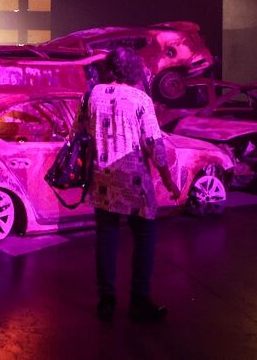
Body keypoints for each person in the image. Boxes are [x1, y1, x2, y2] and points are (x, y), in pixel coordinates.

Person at [85, 47, 182, 322]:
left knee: (106, 237)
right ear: (132, 70)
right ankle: (139, 300)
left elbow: (79, 132)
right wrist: (166, 177)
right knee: (145, 236)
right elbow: (153, 142)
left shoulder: (92, 95)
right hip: (134, 181)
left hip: (102, 178)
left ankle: (106, 301)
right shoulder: (140, 99)